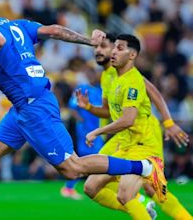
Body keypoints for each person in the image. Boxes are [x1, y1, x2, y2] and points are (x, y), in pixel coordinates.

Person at [0, 7, 165, 220]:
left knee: (72, 168)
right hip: (23, 106)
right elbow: (55, 31)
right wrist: (89, 41)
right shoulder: (17, 25)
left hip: (34, 106)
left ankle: (145, 167)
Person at [81, 34, 192, 219]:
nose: (108, 51)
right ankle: (144, 205)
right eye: (113, 47)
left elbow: (129, 118)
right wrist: (89, 107)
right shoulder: (113, 78)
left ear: (132, 55)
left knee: (141, 192)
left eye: (117, 48)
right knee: (91, 187)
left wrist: (169, 123)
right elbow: (110, 111)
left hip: (143, 145)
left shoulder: (134, 80)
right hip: (124, 143)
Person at [61, 67, 104, 200]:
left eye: (94, 74)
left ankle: (70, 187)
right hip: (85, 130)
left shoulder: (100, 91)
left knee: (97, 157)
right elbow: (72, 106)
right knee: (93, 158)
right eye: (90, 74)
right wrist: (81, 119)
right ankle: (69, 187)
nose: (92, 76)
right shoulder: (82, 89)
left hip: (97, 130)